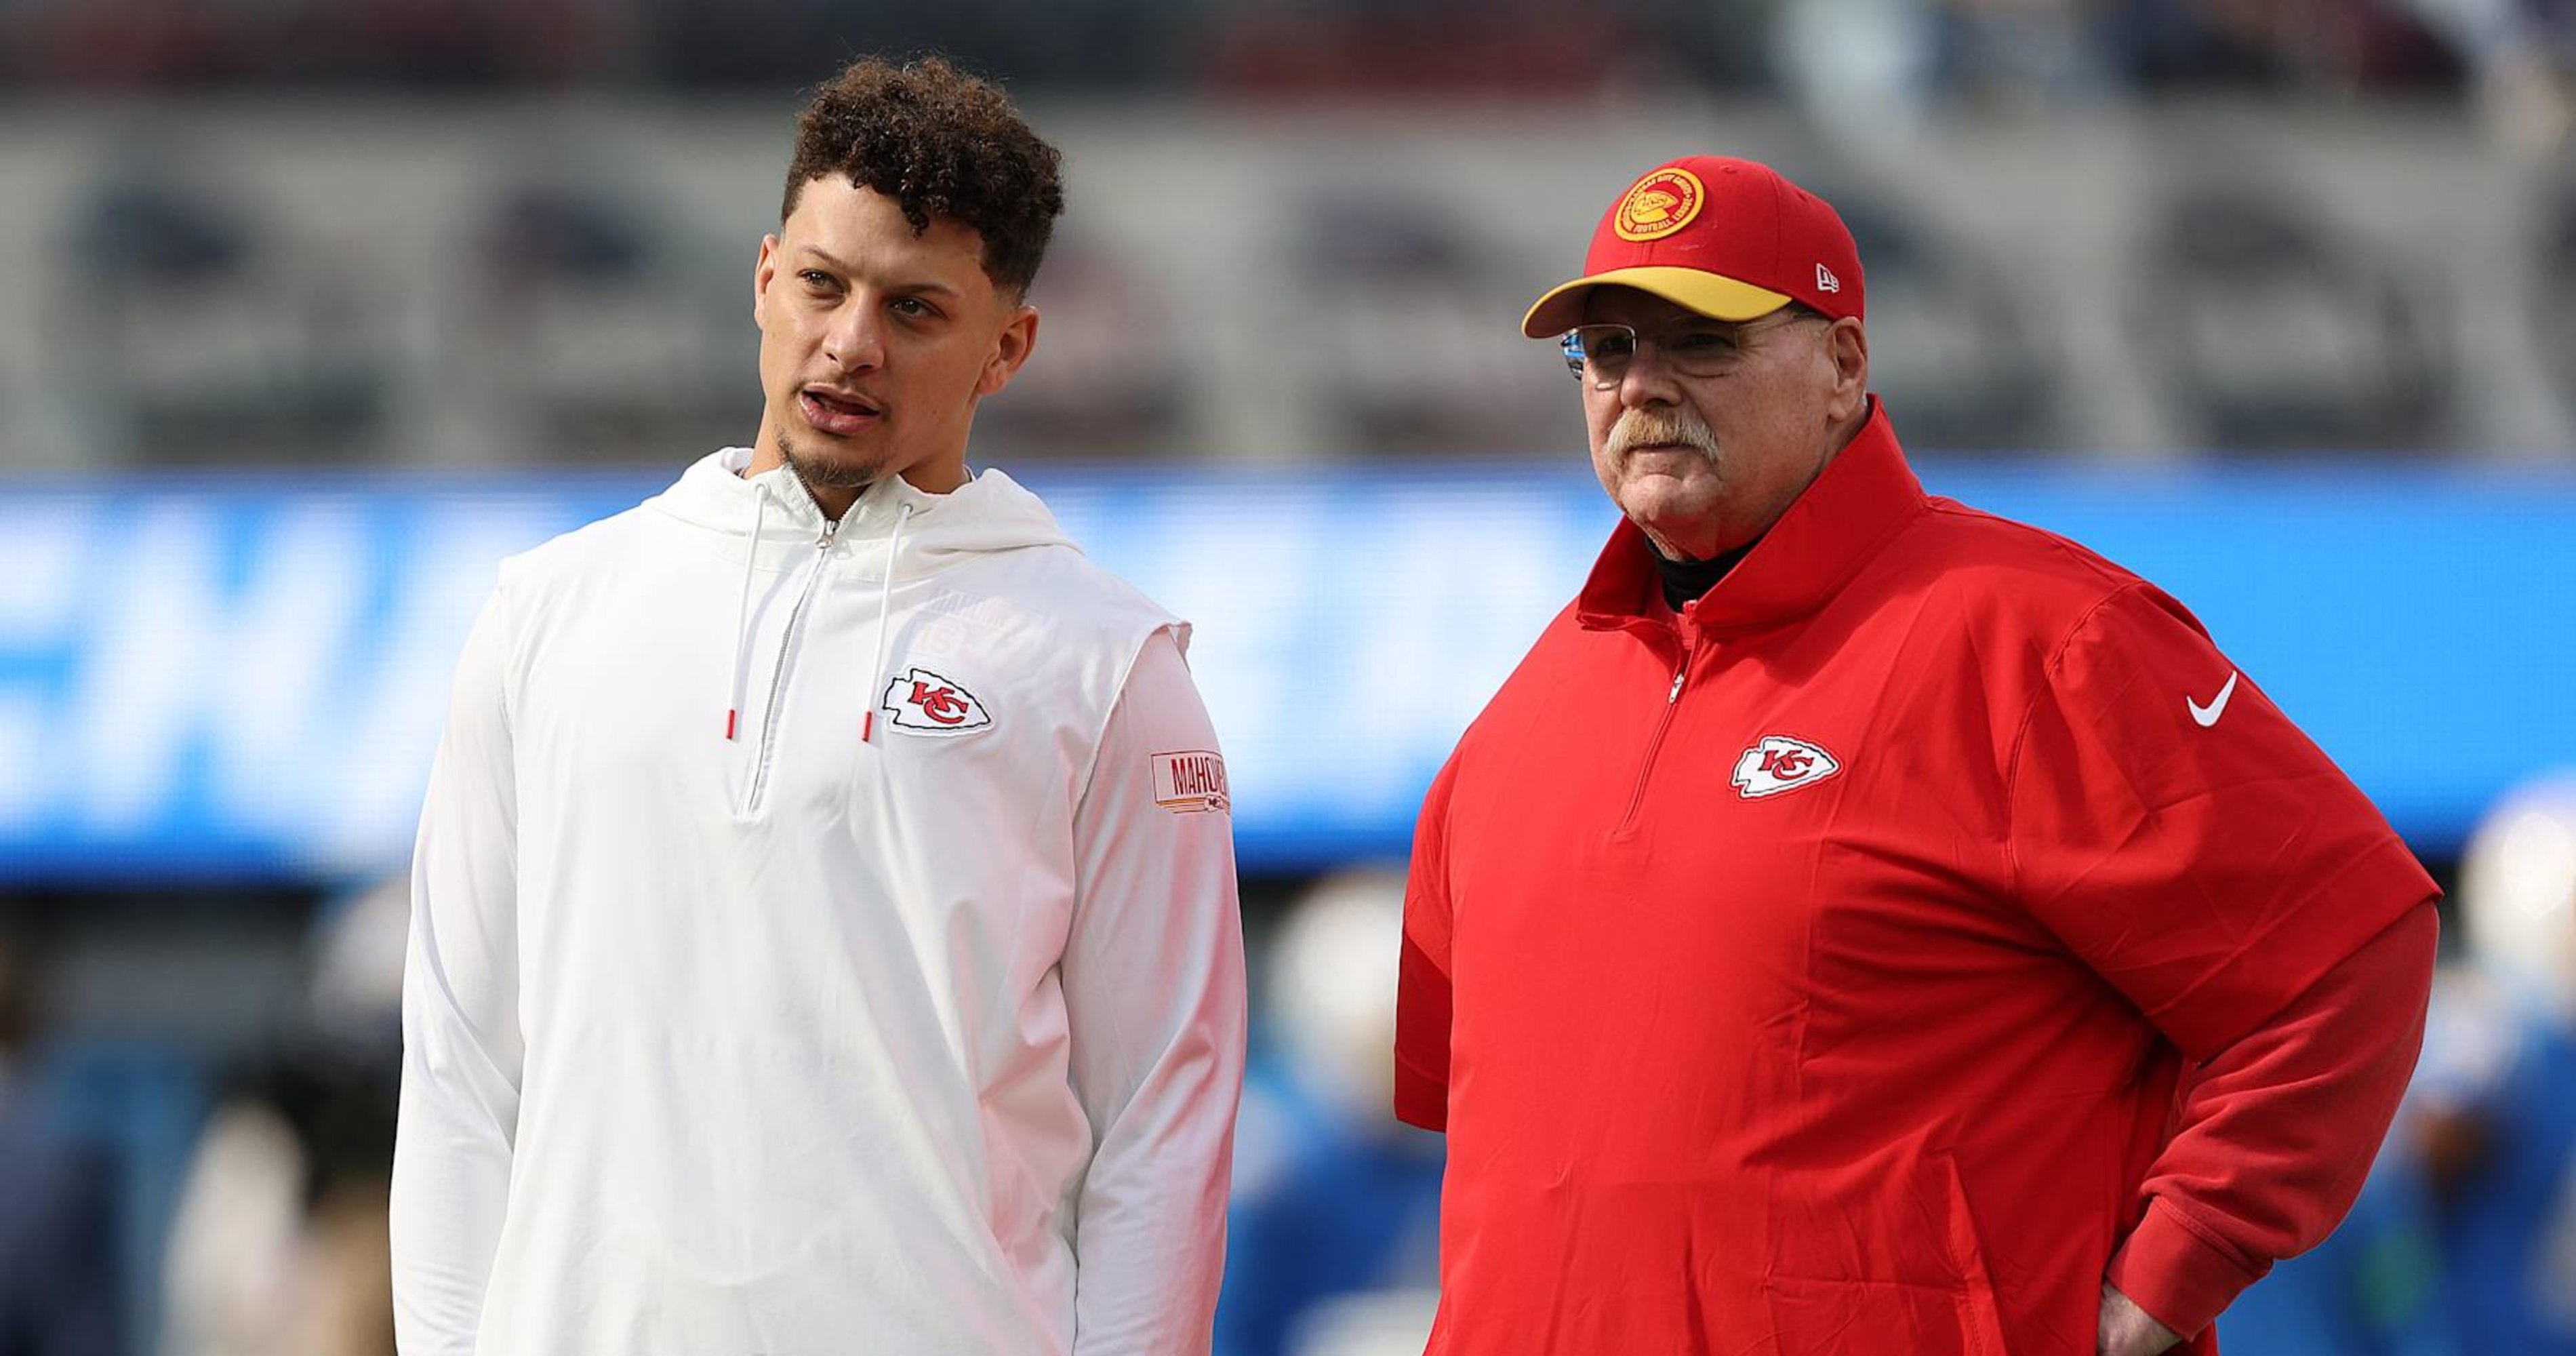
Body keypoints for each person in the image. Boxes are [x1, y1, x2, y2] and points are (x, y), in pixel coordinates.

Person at [1392, 155, 2440, 1356]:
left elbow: (2347, 948)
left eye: (1703, 340)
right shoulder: (1522, 718)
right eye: (1610, 348)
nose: (1644, 386)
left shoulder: (2038, 637)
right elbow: (1479, 1139)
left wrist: (2180, 1263)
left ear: (1844, 366)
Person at [390, 56, 1247, 1356]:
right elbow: (458, 1073)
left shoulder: (1112, 668)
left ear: (1008, 348)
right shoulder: (544, 613)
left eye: (915, 310)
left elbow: (1163, 1131)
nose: (850, 344)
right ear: (762, 281)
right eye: (821, 286)